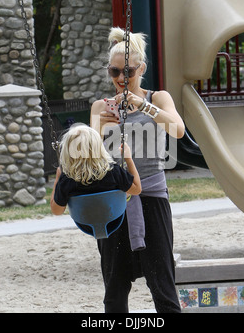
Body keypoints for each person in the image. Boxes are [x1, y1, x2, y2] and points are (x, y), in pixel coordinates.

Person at [90, 27, 185, 313]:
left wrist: (144, 105)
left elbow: (178, 130)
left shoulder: (157, 98)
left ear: (141, 68)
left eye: (128, 72)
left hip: (152, 198)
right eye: (114, 72)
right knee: (114, 290)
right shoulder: (100, 106)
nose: (121, 79)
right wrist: (99, 126)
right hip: (113, 202)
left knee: (163, 288)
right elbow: (92, 156)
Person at [50, 125, 141, 221]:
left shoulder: (67, 179)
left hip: (86, 223)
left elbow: (57, 211)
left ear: (67, 151)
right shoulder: (113, 171)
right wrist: (128, 159)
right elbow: (137, 190)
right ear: (99, 148)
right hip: (114, 220)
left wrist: (58, 178)